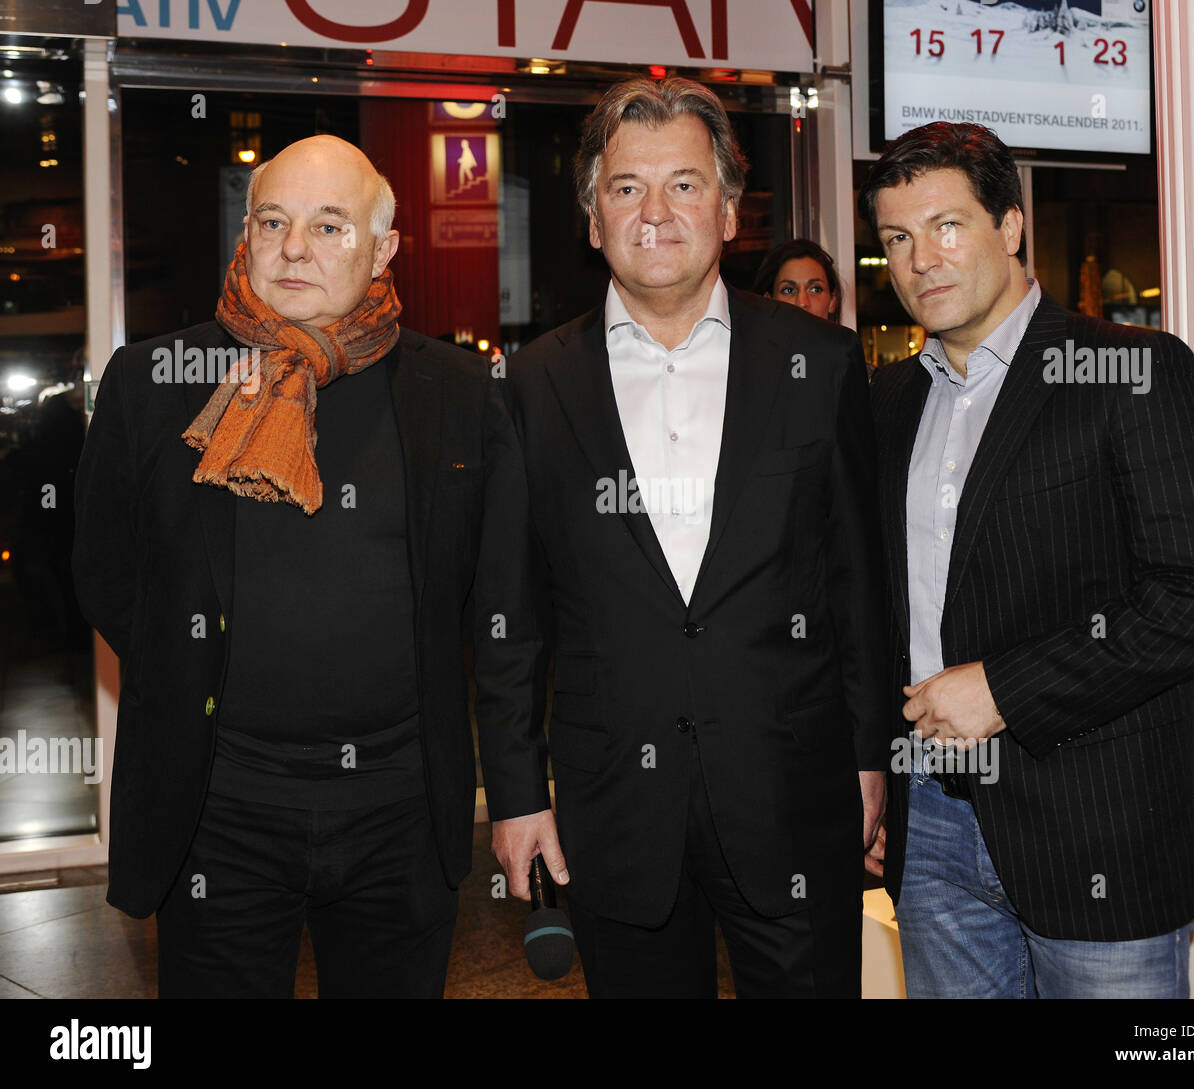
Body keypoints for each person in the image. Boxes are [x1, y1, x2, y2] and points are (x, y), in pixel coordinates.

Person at [73, 135, 531, 998]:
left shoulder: (459, 394)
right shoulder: (155, 381)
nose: (293, 249)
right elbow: (104, 572)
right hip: (218, 813)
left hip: (400, 810)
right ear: (245, 232)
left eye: (329, 226)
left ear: (383, 246)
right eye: (273, 221)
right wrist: (195, 667)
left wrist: (514, 790)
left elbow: (501, 607)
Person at [475, 77, 891, 998]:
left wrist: (872, 757)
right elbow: (509, 611)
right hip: (613, 811)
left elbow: (859, 582)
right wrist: (514, 791)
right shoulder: (534, 384)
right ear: (593, 219)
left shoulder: (817, 363)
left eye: (685, 184)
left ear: (731, 211)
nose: (654, 211)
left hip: (795, 797)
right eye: (625, 188)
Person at [861, 122, 1194, 998]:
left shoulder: (1133, 371)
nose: (922, 257)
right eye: (898, 237)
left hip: (1097, 826)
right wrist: (877, 772)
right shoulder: (890, 399)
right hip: (930, 826)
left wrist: (1006, 687)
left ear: (1010, 225)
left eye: (947, 226)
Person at [752, 238, 843, 324]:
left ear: (832, 300)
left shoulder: (849, 340)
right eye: (789, 290)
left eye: (815, 289)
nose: (802, 303)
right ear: (768, 301)